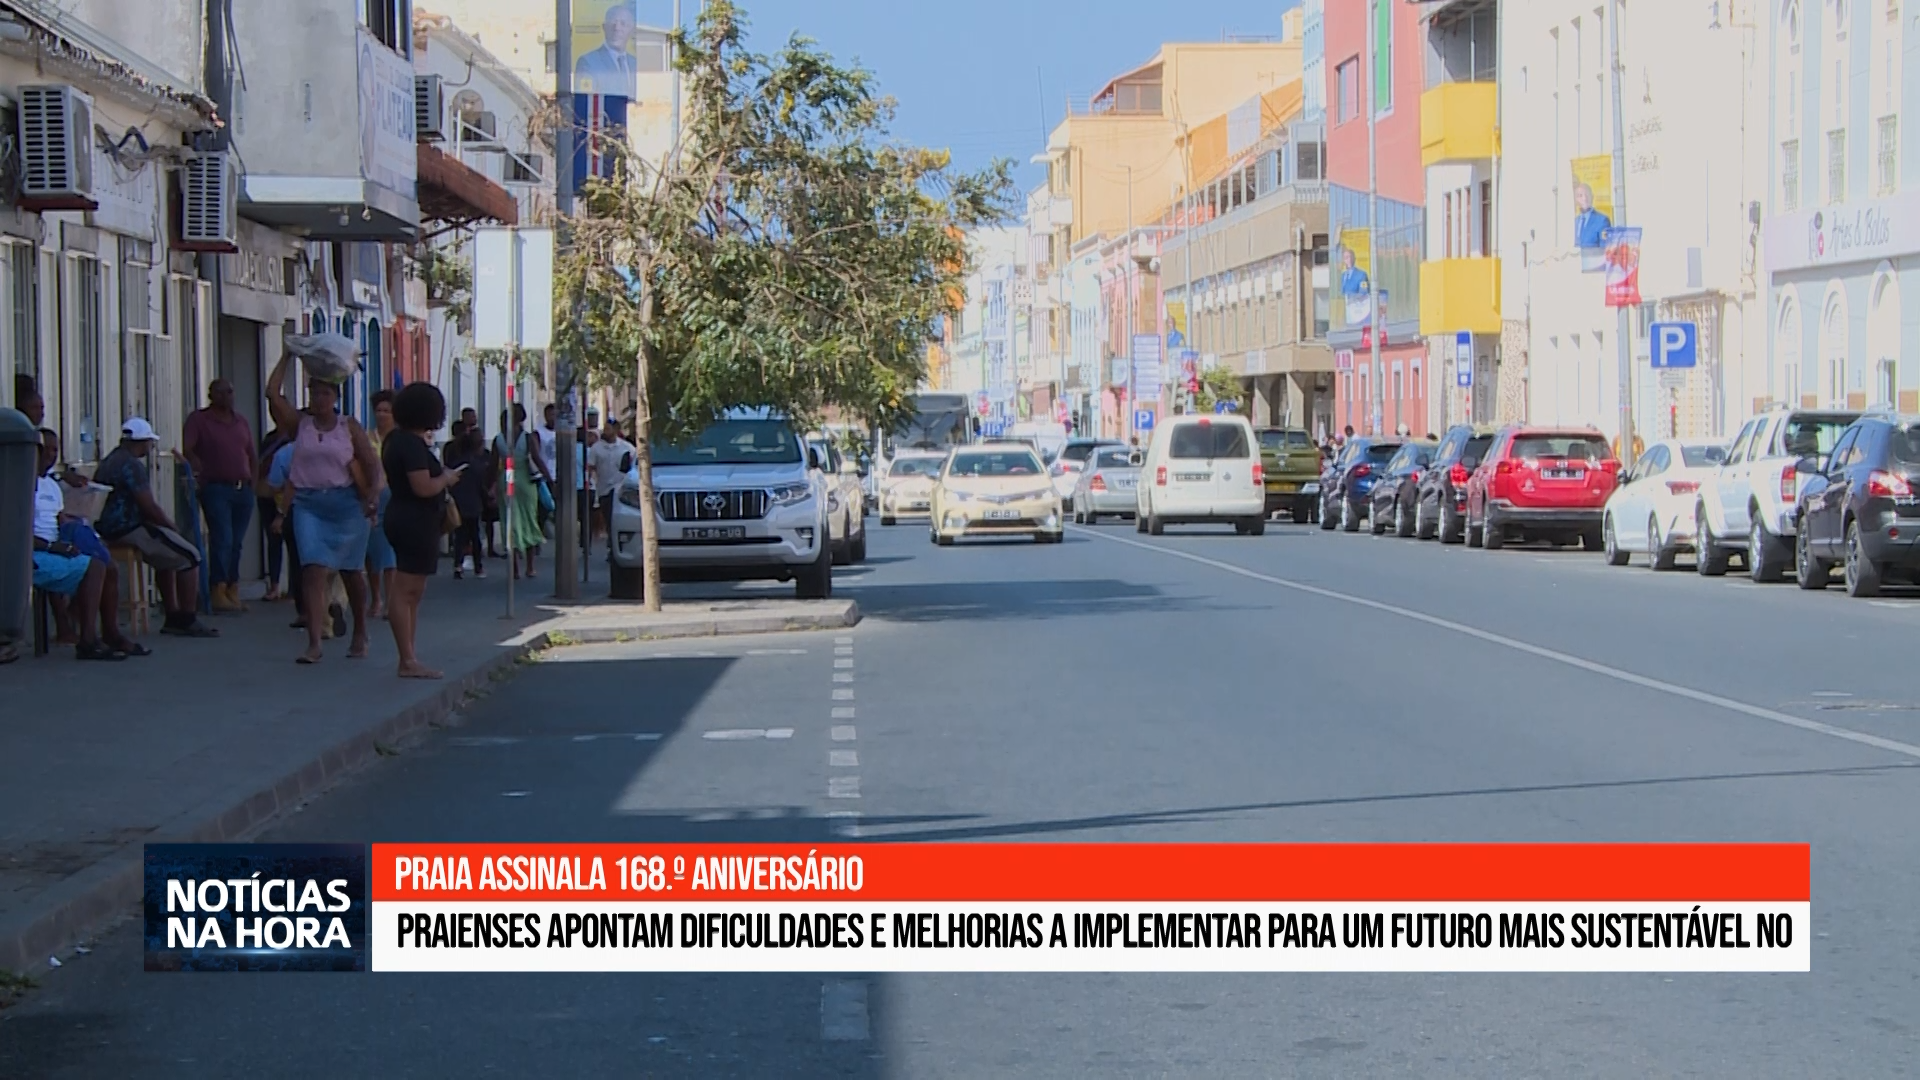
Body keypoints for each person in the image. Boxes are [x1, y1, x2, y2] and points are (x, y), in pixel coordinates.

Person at [267, 351, 379, 665]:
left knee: (351, 572)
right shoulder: (299, 425)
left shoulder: (349, 427)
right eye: (314, 393)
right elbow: (272, 393)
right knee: (313, 569)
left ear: (335, 397)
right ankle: (315, 641)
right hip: (308, 505)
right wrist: (287, 355)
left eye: (325, 393)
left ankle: (360, 631)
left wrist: (372, 496)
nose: (319, 399)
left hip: (346, 505)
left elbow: (373, 467)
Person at [93, 418, 219, 639]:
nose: (150, 447)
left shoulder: (109, 460)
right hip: (127, 528)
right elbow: (148, 505)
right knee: (190, 556)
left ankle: (172, 613)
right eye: (149, 443)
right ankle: (186, 618)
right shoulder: (132, 465)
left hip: (108, 527)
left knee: (166, 557)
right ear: (141, 442)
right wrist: (170, 526)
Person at [381, 383, 459, 680]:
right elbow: (423, 486)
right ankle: (407, 658)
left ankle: (410, 654)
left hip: (409, 518)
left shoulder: (397, 440)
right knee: (405, 590)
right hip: (413, 520)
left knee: (414, 590)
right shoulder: (410, 446)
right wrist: (447, 478)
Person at [182, 378, 257, 615]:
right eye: (222, 392)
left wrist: (253, 481)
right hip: (216, 488)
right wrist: (196, 465)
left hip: (241, 488)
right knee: (222, 538)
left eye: (231, 391)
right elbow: (188, 448)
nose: (228, 396)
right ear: (211, 395)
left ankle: (233, 588)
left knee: (236, 542)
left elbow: (251, 453)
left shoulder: (240, 422)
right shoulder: (200, 420)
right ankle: (217, 588)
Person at [494, 405, 543, 579]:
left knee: (509, 523)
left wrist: (489, 488)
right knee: (529, 520)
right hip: (525, 481)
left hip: (506, 478)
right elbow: (537, 459)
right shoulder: (527, 438)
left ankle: (514, 568)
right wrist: (550, 481)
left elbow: (493, 467)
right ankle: (530, 566)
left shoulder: (498, 439)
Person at [364, 389, 398, 620]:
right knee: (373, 552)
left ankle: (391, 601)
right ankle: (376, 597)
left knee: (391, 552)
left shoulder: (400, 439)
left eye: (387, 410)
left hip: (396, 499)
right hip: (373, 498)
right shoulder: (367, 439)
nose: (382, 415)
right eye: (379, 410)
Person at [257, 416, 298, 602]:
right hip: (276, 501)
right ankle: (281, 587)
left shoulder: (286, 449)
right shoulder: (273, 441)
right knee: (286, 545)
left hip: (280, 500)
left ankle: (290, 589)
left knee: (286, 545)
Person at [444, 422, 487, 579]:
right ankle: (478, 567)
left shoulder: (456, 465)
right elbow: (481, 485)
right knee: (475, 536)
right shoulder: (477, 465)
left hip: (459, 504)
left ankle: (458, 565)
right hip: (474, 505)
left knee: (459, 537)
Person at [573, 2, 639, 99]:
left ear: (631, 30)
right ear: (604, 27)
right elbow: (585, 100)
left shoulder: (635, 63)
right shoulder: (588, 62)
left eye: (623, 24)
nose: (617, 28)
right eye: (613, 23)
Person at [588, 421, 635, 543]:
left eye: (608, 429)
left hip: (621, 488)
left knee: (618, 519)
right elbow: (590, 467)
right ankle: (611, 543)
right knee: (608, 518)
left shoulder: (627, 448)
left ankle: (616, 544)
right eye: (605, 429)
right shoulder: (596, 448)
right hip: (604, 489)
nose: (605, 431)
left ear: (616, 430)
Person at [1573, 182, 1612, 249]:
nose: (1584, 199)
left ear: (1592, 197)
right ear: (1575, 200)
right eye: (1580, 196)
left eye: (1587, 195)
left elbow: (1604, 249)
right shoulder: (1574, 222)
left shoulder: (1602, 220)